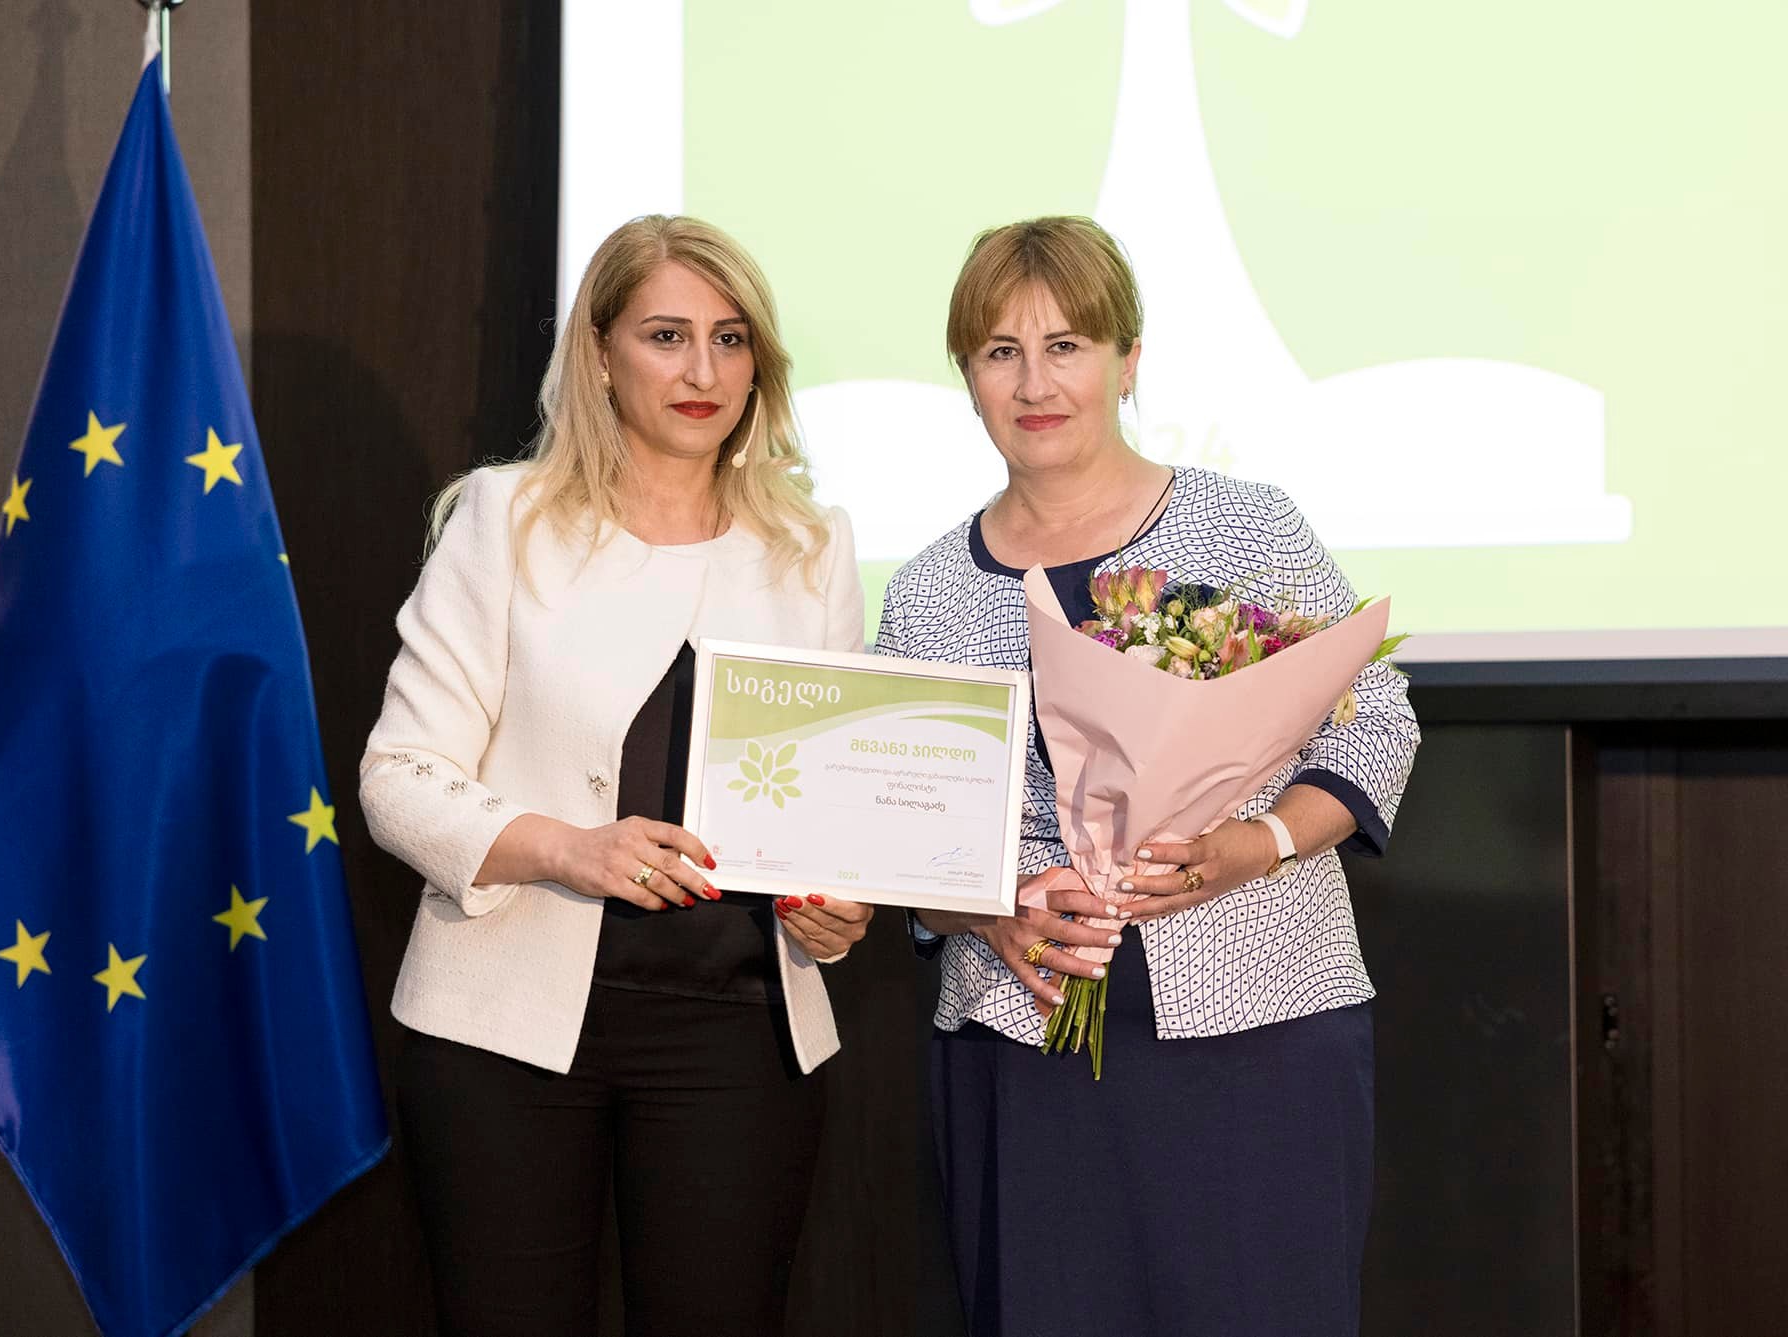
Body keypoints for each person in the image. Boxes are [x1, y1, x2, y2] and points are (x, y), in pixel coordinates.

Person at [875, 216, 1421, 1336]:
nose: (1035, 383)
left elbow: (1376, 721)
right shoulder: (926, 591)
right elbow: (896, 832)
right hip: (1021, 1039)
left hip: (1262, 1030)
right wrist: (985, 907)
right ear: (967, 375)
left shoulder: (1244, 525)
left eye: (1067, 346)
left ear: (1128, 361)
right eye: (1001, 351)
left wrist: (1256, 844)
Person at [360, 214, 873, 1336]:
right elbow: (397, 776)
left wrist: (836, 911)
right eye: (666, 335)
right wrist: (569, 848)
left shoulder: (813, 546)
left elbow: (832, 815)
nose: (703, 372)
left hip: (742, 1037)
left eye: (731, 339)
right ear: (599, 353)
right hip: (504, 1033)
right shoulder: (506, 518)